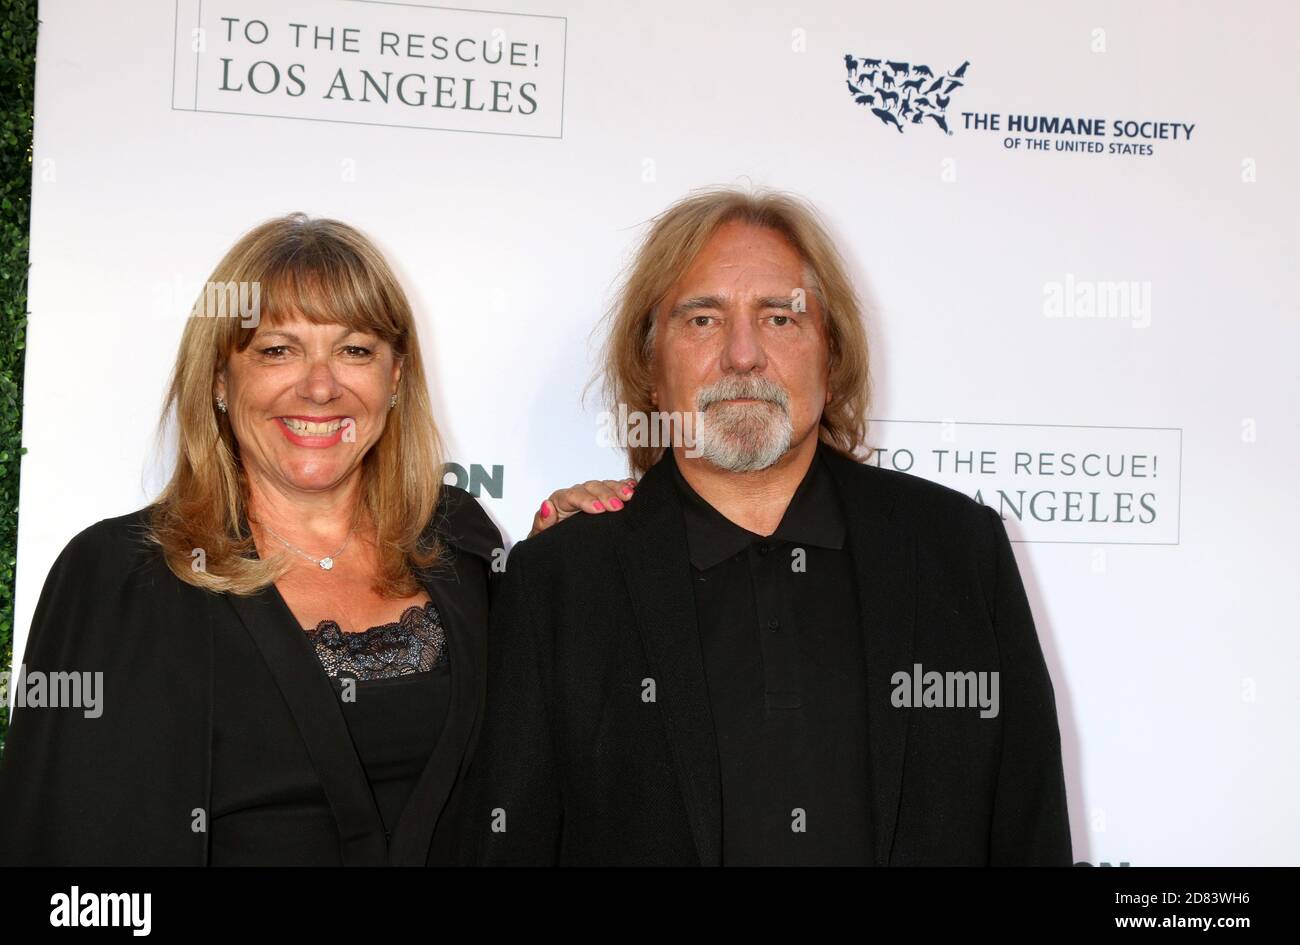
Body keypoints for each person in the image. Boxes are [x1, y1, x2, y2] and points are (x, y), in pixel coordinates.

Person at [466, 187, 1073, 865]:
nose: (743, 355)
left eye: (781, 318)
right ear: (649, 369)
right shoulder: (562, 583)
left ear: (833, 356)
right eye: (702, 320)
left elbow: (1030, 830)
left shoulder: (959, 552)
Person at [0, 213, 630, 865]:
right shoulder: (120, 578)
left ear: (396, 377)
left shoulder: (460, 541)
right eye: (278, 350)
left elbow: (534, 774)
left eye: (355, 349)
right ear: (220, 378)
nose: (321, 386)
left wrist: (551, 569)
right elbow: (67, 854)